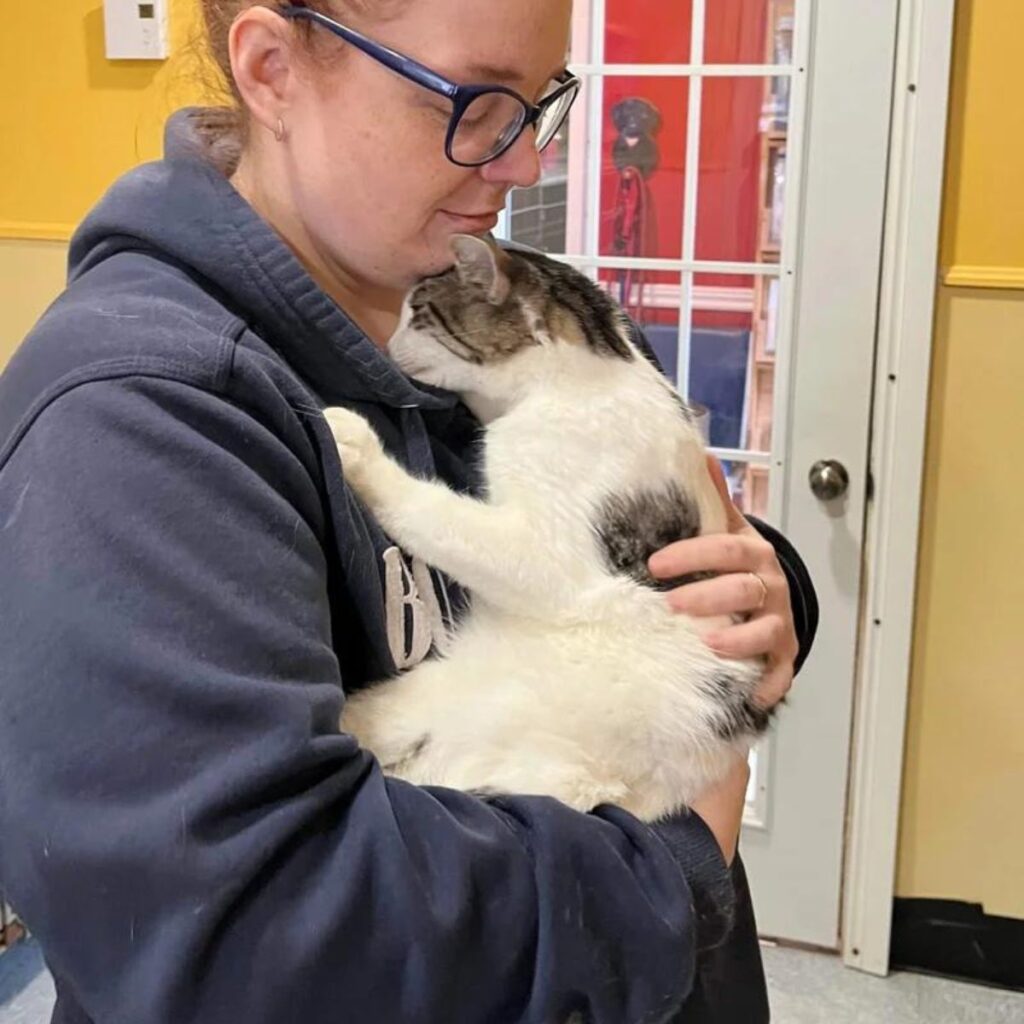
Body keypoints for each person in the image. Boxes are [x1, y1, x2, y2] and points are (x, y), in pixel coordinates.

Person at [0, 1, 817, 1021]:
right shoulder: (134, 418)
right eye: (474, 101)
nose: (520, 164)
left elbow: (631, 547)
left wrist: (761, 589)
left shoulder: (519, 299)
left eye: (538, 101)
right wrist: (674, 868)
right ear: (271, 69)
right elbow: (253, 948)